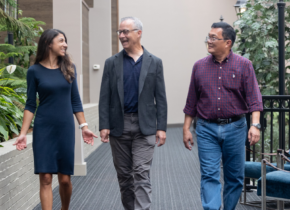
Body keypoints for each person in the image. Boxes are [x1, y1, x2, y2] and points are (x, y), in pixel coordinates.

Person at [13, 29, 97, 210]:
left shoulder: (69, 68)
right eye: (61, 41)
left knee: (65, 179)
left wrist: (84, 126)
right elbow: (30, 105)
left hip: (65, 128)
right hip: (44, 128)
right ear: (48, 43)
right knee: (45, 178)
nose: (65, 44)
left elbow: (75, 100)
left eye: (65, 41)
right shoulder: (34, 71)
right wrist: (22, 133)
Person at [183, 22, 263, 210]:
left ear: (228, 42)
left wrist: (255, 125)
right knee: (209, 174)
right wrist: (186, 128)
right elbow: (191, 101)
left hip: (235, 128)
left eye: (213, 38)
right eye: (208, 37)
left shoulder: (244, 65)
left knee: (234, 177)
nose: (208, 41)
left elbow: (254, 99)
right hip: (206, 128)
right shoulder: (199, 67)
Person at [99, 17, 167, 210]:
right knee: (124, 176)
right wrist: (104, 125)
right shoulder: (111, 63)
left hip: (144, 127)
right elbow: (105, 96)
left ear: (139, 33)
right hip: (118, 127)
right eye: (120, 32)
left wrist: (161, 127)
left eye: (125, 32)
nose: (121, 36)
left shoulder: (155, 62)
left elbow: (160, 98)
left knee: (141, 172)